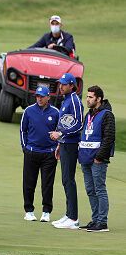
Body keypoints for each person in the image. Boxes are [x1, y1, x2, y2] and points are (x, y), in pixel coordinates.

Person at [20, 86, 60, 222]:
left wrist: (56, 147)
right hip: (31, 152)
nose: (39, 99)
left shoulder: (55, 112)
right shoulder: (29, 111)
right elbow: (23, 130)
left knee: (47, 184)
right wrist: (25, 147)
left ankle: (46, 211)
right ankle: (29, 210)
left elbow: (59, 131)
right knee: (29, 183)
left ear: (48, 97)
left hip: (49, 154)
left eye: (42, 96)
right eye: (37, 96)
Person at [78, 86, 115, 232]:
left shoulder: (107, 114)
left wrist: (100, 157)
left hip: (97, 160)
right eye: (87, 97)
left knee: (99, 189)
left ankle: (102, 222)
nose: (87, 99)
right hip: (86, 158)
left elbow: (109, 137)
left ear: (98, 99)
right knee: (90, 190)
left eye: (90, 97)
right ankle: (95, 220)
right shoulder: (89, 114)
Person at [50, 73, 84, 230]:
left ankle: (73, 218)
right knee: (65, 180)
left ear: (72, 85)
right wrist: (59, 143)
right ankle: (69, 214)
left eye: (64, 84)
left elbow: (79, 124)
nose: (61, 86)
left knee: (69, 180)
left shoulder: (75, 100)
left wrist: (61, 135)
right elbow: (64, 123)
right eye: (60, 84)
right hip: (64, 144)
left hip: (71, 145)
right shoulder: (66, 100)